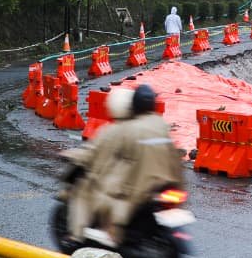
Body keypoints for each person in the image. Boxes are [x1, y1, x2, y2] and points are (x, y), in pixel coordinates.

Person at [63, 83, 183, 248]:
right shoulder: (162, 126)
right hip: (166, 182)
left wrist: (74, 157)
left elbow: (97, 158)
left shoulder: (121, 130)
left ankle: (78, 237)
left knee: (87, 189)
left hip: (137, 189)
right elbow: (174, 159)